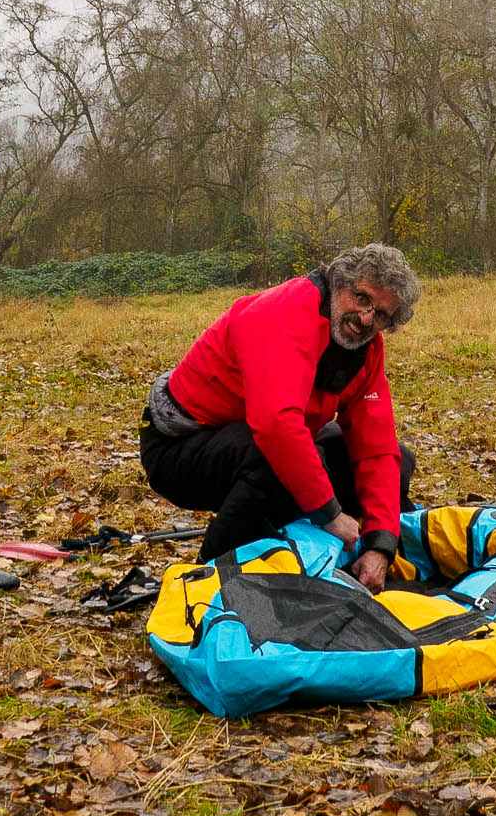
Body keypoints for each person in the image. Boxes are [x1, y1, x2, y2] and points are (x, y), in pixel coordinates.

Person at [141, 242, 422, 590]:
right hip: (177, 447)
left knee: (399, 464)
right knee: (281, 461)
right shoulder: (285, 310)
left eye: (381, 315)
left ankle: (290, 536)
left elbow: (375, 448)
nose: (366, 319)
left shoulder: (366, 350)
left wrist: (381, 545)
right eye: (362, 299)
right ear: (339, 282)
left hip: (251, 440)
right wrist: (331, 515)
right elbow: (277, 426)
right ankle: (210, 577)